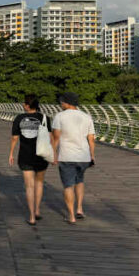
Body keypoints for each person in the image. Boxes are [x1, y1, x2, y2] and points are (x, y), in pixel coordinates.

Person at [51, 92, 96, 225]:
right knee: (79, 180)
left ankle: (71, 216)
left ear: (67, 103)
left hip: (67, 156)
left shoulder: (59, 116)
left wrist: (53, 155)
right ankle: (80, 209)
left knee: (68, 185)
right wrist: (92, 156)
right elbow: (91, 139)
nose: (60, 104)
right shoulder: (86, 117)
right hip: (84, 156)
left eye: (62, 102)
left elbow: (56, 138)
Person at [9, 94, 51, 225]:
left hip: (25, 155)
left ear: (27, 105)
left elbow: (15, 138)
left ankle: (32, 217)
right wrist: (53, 154)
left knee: (29, 186)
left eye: (24, 103)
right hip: (41, 155)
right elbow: (50, 137)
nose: (23, 105)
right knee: (39, 183)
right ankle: (37, 210)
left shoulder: (19, 118)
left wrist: (11, 153)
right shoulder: (45, 118)